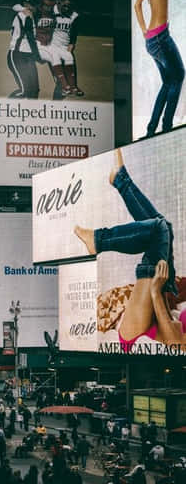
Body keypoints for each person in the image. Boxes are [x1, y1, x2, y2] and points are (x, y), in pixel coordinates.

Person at [74, 149, 186, 352]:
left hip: (140, 331)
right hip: (158, 311)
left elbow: (175, 344)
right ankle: (119, 178)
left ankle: (98, 241)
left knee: (158, 230)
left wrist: (156, 292)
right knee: (163, 227)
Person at [134, 0, 186, 137]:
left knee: (168, 82)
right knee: (179, 75)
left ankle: (151, 129)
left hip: (154, 39)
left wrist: (145, 31)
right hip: (160, 38)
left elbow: (137, 5)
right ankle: (166, 127)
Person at [8, 0, 41, 99]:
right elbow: (31, 38)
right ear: (26, 5)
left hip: (28, 56)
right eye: (32, 4)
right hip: (17, 55)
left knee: (34, 90)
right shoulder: (24, 15)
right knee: (24, 91)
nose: (35, 7)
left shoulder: (30, 15)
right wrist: (38, 55)